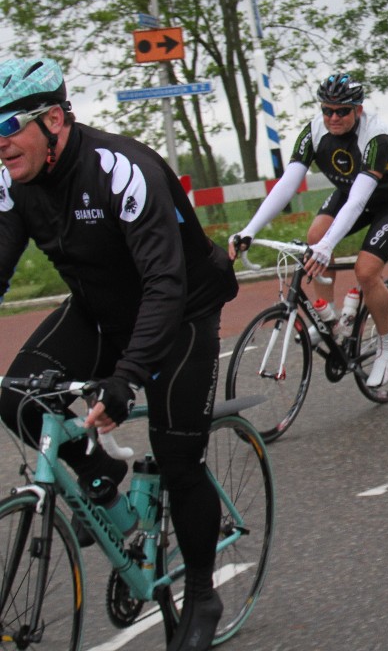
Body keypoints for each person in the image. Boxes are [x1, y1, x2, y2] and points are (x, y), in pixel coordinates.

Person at [0, 58, 239, 651]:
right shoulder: (13, 181)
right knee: (16, 396)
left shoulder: (121, 170)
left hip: (180, 310)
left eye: (8, 125)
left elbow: (165, 283)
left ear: (54, 121)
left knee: (178, 458)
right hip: (101, 308)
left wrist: (126, 378)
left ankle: (203, 594)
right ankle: (99, 475)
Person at [228, 74, 388, 388]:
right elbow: (288, 183)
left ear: (358, 110)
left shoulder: (377, 138)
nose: (333, 117)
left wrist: (328, 245)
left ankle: (387, 347)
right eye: (327, 110)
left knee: (366, 271)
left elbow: (359, 200)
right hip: (352, 191)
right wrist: (249, 230)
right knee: (315, 236)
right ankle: (330, 318)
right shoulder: (313, 132)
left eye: (342, 111)